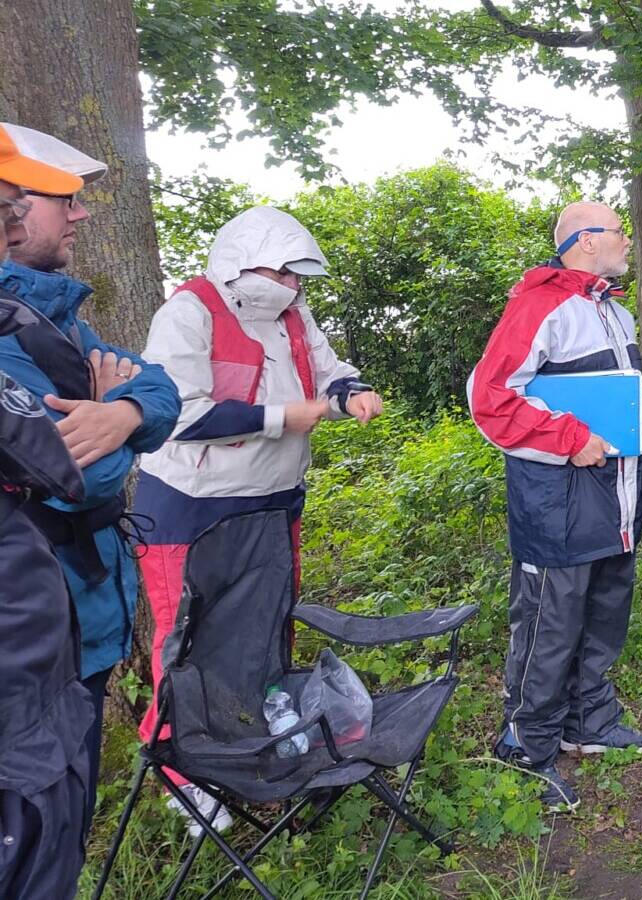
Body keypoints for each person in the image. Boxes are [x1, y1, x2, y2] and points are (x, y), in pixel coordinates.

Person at [135, 205, 382, 832]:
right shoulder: (189, 312)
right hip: (191, 507)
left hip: (274, 498)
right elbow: (177, 414)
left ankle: (261, 733)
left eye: (298, 276)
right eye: (283, 273)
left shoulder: (295, 316)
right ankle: (185, 775)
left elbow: (328, 374)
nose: (293, 286)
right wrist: (281, 419)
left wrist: (351, 393)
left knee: (268, 621)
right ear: (242, 264)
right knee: (186, 638)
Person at [0, 124, 180, 829]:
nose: (80, 214)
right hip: (36, 624)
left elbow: (161, 388)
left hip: (87, 604)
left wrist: (124, 411)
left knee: (66, 814)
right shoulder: (12, 331)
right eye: (63, 200)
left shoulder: (53, 319)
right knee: (38, 821)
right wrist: (118, 427)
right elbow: (77, 480)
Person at [471, 201, 642, 812]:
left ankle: (588, 721)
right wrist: (569, 438)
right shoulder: (539, 305)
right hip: (556, 501)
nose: (628, 240)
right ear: (586, 241)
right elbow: (491, 399)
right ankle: (524, 747)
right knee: (549, 624)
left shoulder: (614, 310)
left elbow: (598, 390)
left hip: (616, 496)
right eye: (619, 231)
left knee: (604, 610)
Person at [0, 128, 97, 900]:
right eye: (5, 210)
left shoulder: (36, 319)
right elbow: (71, 467)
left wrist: (126, 409)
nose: (10, 234)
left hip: (47, 681)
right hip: (20, 727)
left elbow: (154, 390)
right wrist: (111, 409)